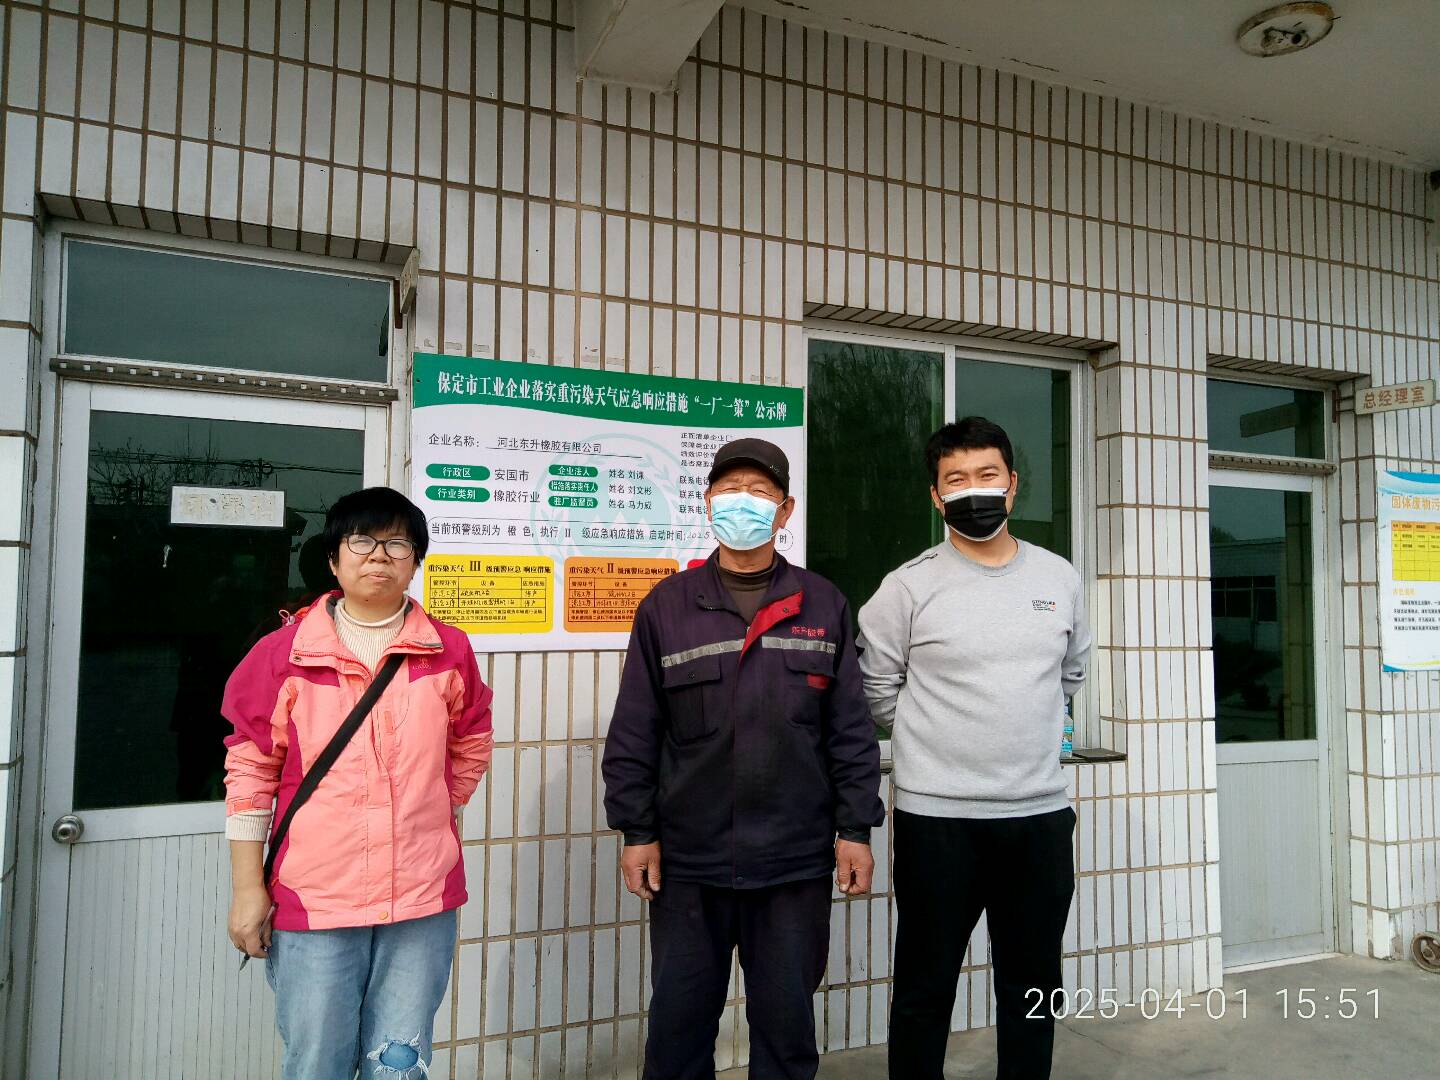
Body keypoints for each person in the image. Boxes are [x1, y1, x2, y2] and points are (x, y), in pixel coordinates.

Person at [602, 438, 884, 1080]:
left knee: (786, 1031)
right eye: (731, 491)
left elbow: (850, 731)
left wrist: (856, 829)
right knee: (677, 1030)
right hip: (689, 863)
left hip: (793, 861)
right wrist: (637, 832)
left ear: (785, 511)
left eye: (760, 493)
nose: (744, 504)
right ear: (707, 502)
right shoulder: (667, 607)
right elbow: (636, 730)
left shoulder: (823, 604)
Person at [223, 487, 494, 1080]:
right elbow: (251, 771)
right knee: (318, 1061)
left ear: (416, 560)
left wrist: (432, 808)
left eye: (398, 544)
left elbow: (471, 740)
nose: (379, 556)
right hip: (317, 895)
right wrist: (248, 888)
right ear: (333, 558)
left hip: (420, 896)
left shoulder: (448, 649)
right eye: (362, 541)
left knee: (398, 1063)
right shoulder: (284, 655)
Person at [858, 418, 1091, 1080]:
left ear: (1012, 484)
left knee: (1033, 986)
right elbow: (877, 688)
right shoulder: (908, 586)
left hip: (1038, 818)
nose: (973, 490)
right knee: (924, 987)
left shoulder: (1059, 577)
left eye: (986, 475)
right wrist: (935, 739)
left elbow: (1070, 675)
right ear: (936, 497)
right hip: (938, 823)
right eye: (955, 480)